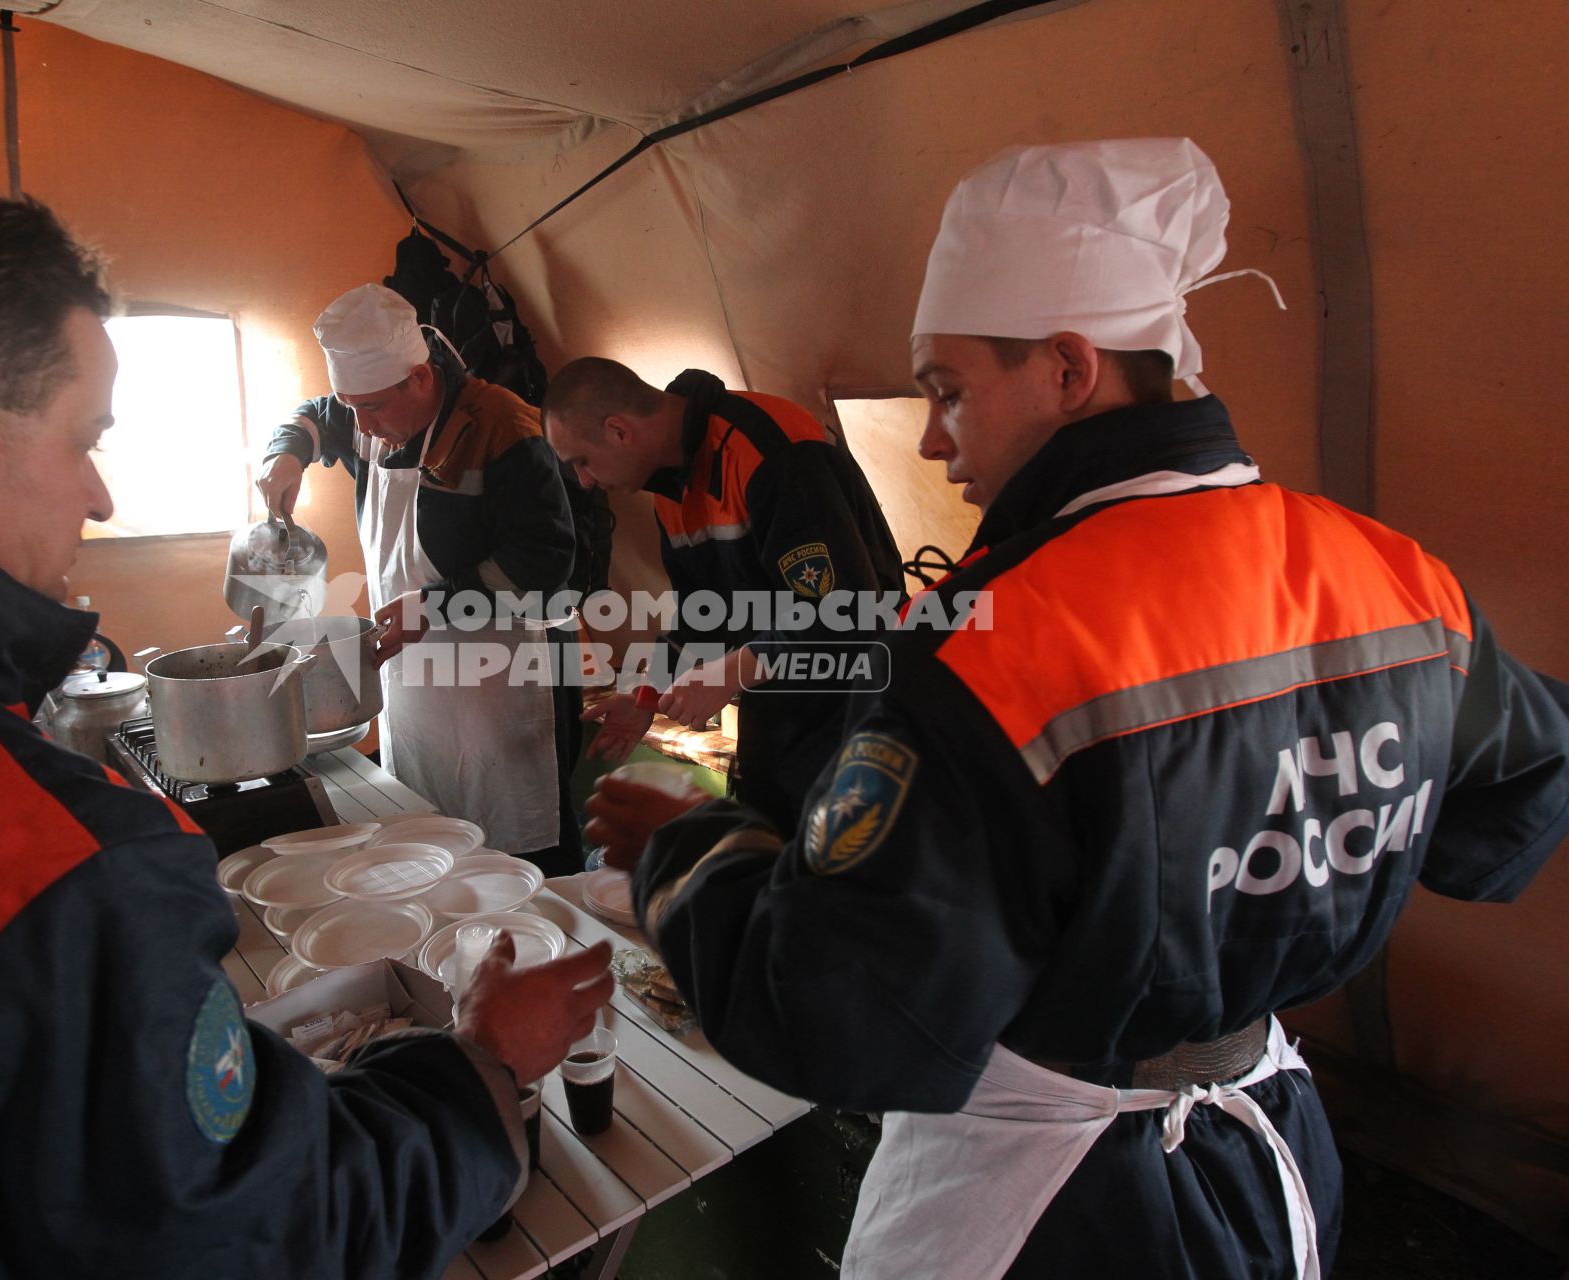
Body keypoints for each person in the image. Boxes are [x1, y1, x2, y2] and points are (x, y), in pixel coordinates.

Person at [583, 138, 1569, 1279]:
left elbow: (843, 1011)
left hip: (1053, 1197)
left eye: (949, 391)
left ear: (1067, 369)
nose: (936, 437)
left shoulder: (994, 641)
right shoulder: (1399, 579)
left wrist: (687, 849)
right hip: (1272, 1160)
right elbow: (1509, 814)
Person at [0, 169, 612, 1279]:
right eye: (81, 437)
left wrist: (438, 610)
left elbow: (555, 571)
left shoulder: (501, 428)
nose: (99, 497)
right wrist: (480, 1069)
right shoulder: (33, 868)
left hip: (493, 684)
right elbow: (260, 1233)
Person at [256, 286, 584, 873]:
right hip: (420, 682)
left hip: (505, 678)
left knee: (521, 855)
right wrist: (286, 454)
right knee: (431, 839)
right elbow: (314, 414)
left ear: (419, 378)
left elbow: (542, 563)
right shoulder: (367, 410)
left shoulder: (504, 429)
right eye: (350, 405)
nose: (360, 425)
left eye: (373, 408)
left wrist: (435, 607)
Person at [542, 358, 904, 834]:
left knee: (837, 872)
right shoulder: (671, 485)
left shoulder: (772, 449)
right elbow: (700, 614)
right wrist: (646, 694)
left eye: (581, 462)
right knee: (767, 854)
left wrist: (731, 670)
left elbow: (848, 612)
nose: (585, 482)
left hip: (854, 707)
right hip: (776, 709)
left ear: (618, 431)